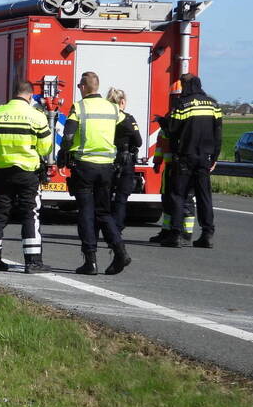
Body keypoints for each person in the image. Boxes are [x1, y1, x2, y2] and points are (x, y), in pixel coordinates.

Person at [57, 72, 135, 276]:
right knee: (104, 212)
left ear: (83, 87)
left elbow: (68, 136)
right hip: (107, 168)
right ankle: (120, 251)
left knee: (86, 212)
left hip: (84, 166)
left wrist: (62, 156)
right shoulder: (112, 107)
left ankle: (90, 261)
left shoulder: (79, 107)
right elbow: (129, 129)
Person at [0, 81, 53, 274]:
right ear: (30, 96)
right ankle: (32, 262)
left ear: (13, 93)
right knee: (30, 214)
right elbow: (46, 148)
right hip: (28, 172)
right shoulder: (37, 117)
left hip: (2, 171)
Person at [163, 74, 222, 248]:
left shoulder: (183, 104)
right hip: (205, 158)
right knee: (204, 197)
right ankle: (207, 233)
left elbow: (172, 129)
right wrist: (215, 157)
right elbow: (218, 133)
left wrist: (162, 122)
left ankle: (176, 234)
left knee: (178, 195)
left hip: (185, 158)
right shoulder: (213, 104)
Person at [149, 109, 195, 245]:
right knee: (167, 199)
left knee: (184, 200)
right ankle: (167, 231)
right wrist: (157, 162)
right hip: (170, 167)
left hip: (181, 167)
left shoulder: (183, 128)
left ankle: (185, 234)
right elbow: (160, 147)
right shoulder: (166, 129)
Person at [106, 88, 142, 232]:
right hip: (125, 161)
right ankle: (117, 227)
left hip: (106, 160)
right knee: (121, 197)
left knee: (105, 196)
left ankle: (105, 226)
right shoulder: (128, 119)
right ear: (122, 102)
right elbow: (138, 141)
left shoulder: (104, 119)